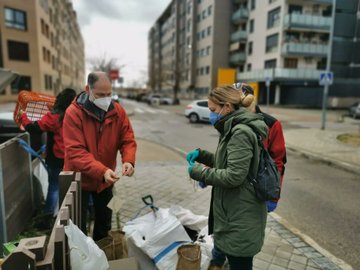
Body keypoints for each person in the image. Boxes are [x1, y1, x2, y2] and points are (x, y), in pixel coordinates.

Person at [187, 85, 268, 270]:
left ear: (227, 107)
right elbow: (228, 162)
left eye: (213, 110)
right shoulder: (232, 128)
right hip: (234, 212)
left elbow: (234, 176)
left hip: (241, 216)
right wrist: (202, 155)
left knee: (240, 265)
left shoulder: (240, 132)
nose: (211, 115)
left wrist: (198, 172)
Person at [62, 71, 137, 241]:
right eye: (100, 95)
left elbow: (127, 139)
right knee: (77, 226)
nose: (106, 99)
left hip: (105, 181)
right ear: (88, 89)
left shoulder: (118, 111)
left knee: (105, 221)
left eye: (109, 94)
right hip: (78, 179)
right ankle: (82, 257)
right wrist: (101, 170)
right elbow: (75, 151)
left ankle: (101, 252)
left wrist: (128, 161)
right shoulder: (73, 113)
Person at [19, 88, 77, 229]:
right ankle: (72, 215)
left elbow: (34, 129)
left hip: (57, 158)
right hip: (74, 157)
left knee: (54, 187)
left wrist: (23, 116)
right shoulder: (76, 115)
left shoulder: (55, 117)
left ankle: (47, 218)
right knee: (73, 186)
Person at [233, 82, 287, 212]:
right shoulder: (230, 121)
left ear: (252, 100)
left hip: (258, 192)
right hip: (233, 190)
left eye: (243, 101)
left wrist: (273, 196)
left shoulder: (271, 124)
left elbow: (278, 162)